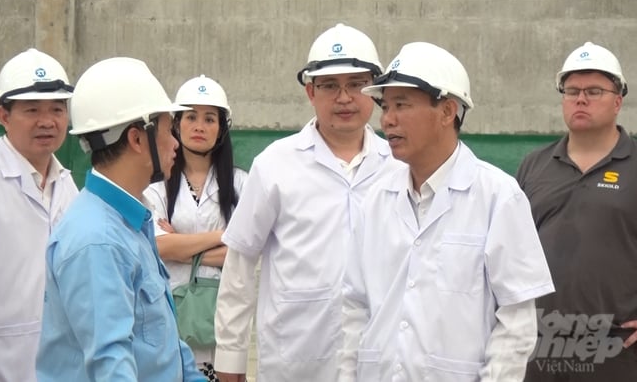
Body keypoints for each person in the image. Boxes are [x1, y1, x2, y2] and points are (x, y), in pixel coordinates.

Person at [339, 42, 556, 382]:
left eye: (402, 105)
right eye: (385, 105)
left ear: (447, 111)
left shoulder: (498, 197)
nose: (387, 119)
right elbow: (354, 308)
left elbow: (516, 324)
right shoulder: (375, 199)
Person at [213, 22, 403, 382]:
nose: (344, 97)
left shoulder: (399, 167)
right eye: (329, 85)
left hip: (379, 363)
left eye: (356, 84)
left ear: (376, 91)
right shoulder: (274, 165)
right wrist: (231, 358)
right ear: (310, 93)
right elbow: (240, 267)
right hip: (295, 363)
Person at [35, 57, 205, 382]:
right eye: (170, 130)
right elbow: (111, 367)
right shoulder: (96, 240)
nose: (175, 144)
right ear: (137, 139)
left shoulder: (130, 220)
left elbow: (166, 341)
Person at [517, 42, 637, 381]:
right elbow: (506, 247)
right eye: (571, 91)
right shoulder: (533, 166)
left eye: (593, 91)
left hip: (616, 349)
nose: (580, 99)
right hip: (539, 345)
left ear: (618, 101)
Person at [0, 48, 78, 382]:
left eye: (57, 108)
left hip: (58, 368)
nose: (47, 121)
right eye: (32, 110)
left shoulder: (67, 185)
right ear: (3, 116)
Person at [144, 74, 247, 380]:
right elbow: (158, 246)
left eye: (209, 118)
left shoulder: (243, 184)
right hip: (173, 317)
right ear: (175, 124)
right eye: (191, 117)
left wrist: (183, 245)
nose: (200, 126)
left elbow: (245, 249)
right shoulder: (156, 187)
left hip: (227, 318)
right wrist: (223, 236)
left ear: (222, 128)